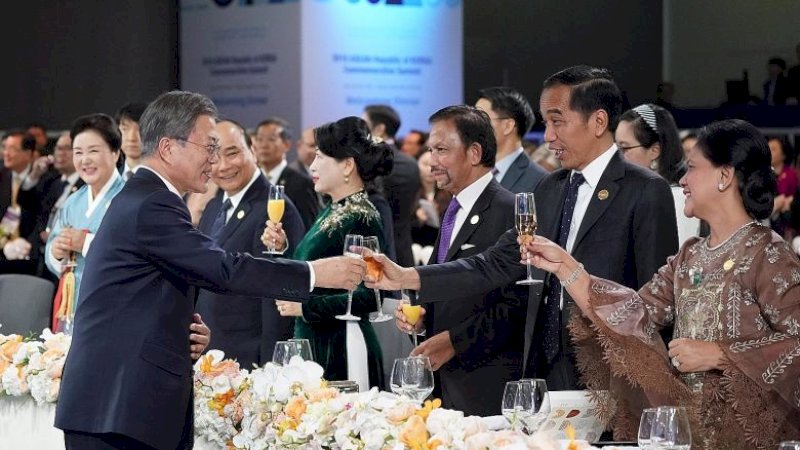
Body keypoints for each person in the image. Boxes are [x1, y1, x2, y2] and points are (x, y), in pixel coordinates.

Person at [54, 91, 366, 450]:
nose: (215, 161)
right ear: (170, 148)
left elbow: (142, 287)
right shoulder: (154, 202)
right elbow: (224, 268)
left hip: (118, 405)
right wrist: (315, 273)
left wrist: (177, 323)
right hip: (118, 408)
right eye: (209, 147)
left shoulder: (146, 196)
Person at [377, 66, 678, 392]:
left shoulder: (645, 190)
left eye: (557, 121)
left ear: (598, 122)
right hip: (544, 373)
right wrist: (409, 277)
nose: (547, 136)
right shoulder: (549, 189)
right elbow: (494, 263)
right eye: (546, 123)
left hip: (611, 374)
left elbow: (656, 302)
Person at [523, 119, 800, 449]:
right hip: (689, 434)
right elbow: (633, 314)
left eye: (693, 168)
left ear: (724, 176)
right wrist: (567, 268)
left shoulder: (767, 253)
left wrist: (721, 355)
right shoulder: (690, 255)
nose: (682, 180)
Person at [395, 105, 526, 415]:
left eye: (441, 150)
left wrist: (456, 342)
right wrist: (421, 315)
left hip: (484, 386)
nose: (431, 162)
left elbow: (518, 304)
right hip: (443, 387)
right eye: (430, 150)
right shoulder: (453, 208)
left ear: (474, 152)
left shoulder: (510, 211)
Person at [264, 116, 393, 392]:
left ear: (347, 165)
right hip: (318, 341)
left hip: (341, 345)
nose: (312, 166)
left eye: (320, 157)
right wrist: (282, 249)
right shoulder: (335, 209)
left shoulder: (362, 216)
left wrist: (306, 307)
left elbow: (372, 295)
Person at [195, 119, 306, 369]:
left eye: (232, 153)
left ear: (252, 150)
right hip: (212, 355)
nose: (223, 166)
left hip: (250, 358)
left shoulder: (275, 209)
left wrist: (271, 365)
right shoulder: (214, 206)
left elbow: (277, 296)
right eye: (213, 157)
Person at [44, 114, 126, 331]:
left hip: (113, 309)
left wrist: (86, 243)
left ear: (115, 152)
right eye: (78, 152)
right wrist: (56, 250)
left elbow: (135, 255)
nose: (84, 160)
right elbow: (52, 257)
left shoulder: (130, 199)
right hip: (71, 307)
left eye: (93, 151)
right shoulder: (73, 201)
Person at [616, 103, 700, 245]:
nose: (618, 157)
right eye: (616, 148)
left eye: (624, 148)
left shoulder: (680, 199)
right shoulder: (631, 194)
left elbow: (677, 260)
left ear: (655, 151)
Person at [363, 104, 421, 268]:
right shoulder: (411, 163)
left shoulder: (369, 162)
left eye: (363, 123)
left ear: (380, 128)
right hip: (403, 252)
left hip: (376, 257)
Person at [475, 86, 547, 193]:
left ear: (508, 126)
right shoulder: (472, 174)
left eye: (480, 118)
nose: (472, 125)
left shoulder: (540, 182)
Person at [254, 117, 320, 230]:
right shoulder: (253, 181)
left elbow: (308, 228)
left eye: (271, 139)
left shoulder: (302, 184)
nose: (264, 145)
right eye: (259, 139)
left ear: (287, 145)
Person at [768, 136, 797, 240]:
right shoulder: (764, 176)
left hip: (788, 224)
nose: (769, 152)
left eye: (774, 149)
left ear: (783, 154)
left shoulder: (791, 175)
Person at [115, 102, 149, 180]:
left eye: (140, 129)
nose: (131, 138)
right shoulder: (109, 181)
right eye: (125, 129)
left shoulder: (164, 180)